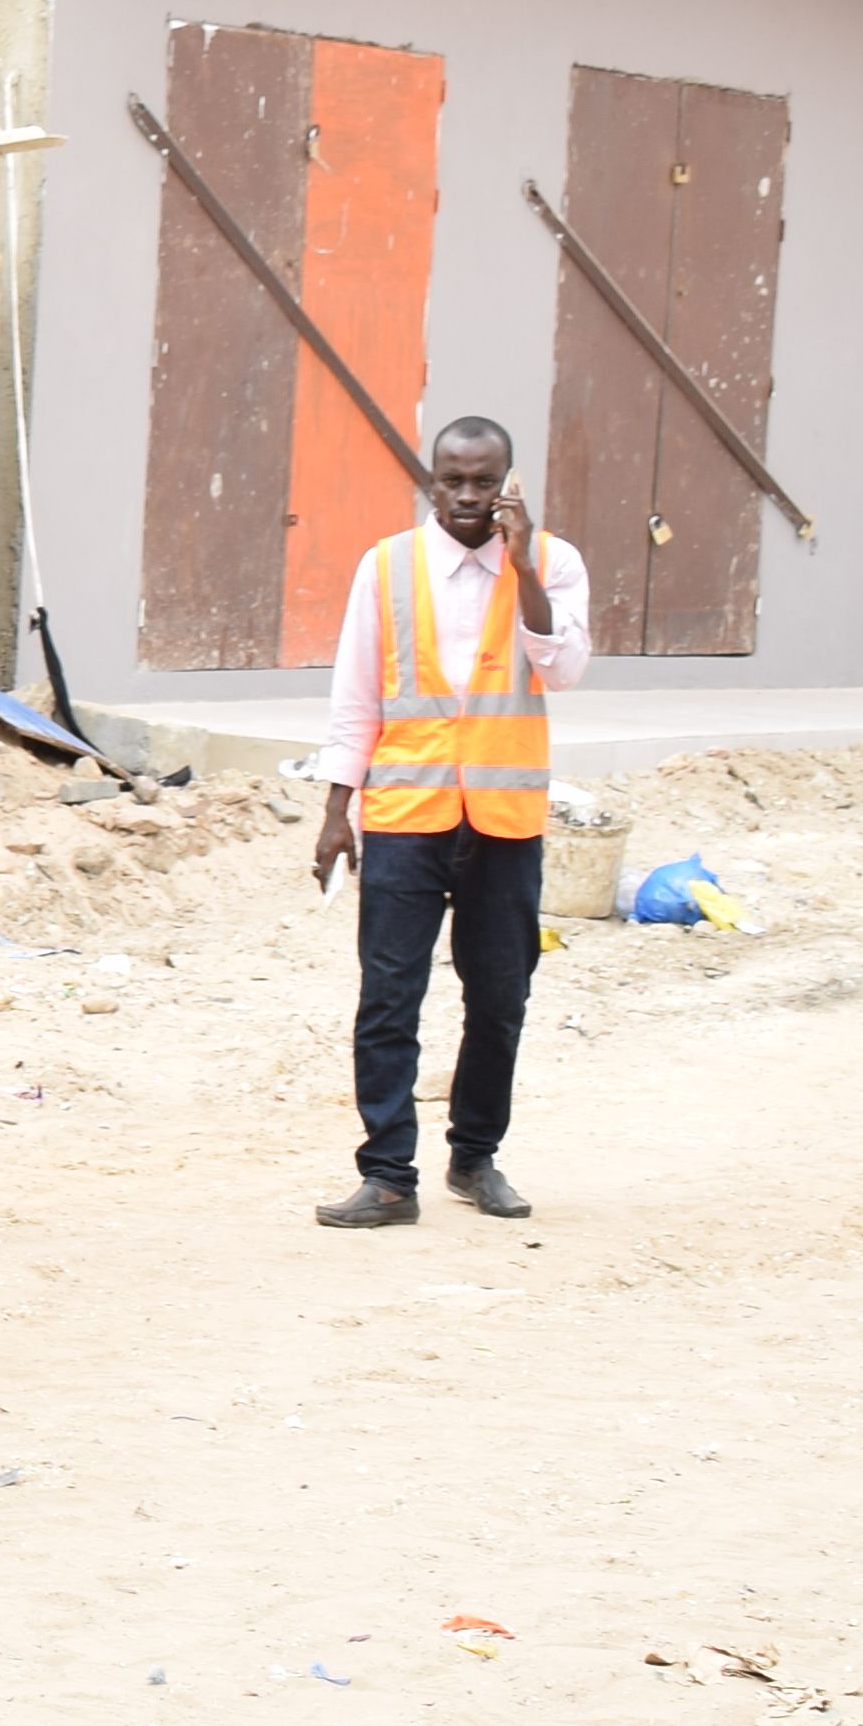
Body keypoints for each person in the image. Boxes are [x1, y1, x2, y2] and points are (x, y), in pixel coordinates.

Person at [307, 416, 590, 1228]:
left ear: (509, 484)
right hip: (406, 812)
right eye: (452, 480)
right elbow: (355, 694)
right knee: (388, 997)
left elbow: (565, 669)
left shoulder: (553, 562)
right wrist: (336, 810)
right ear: (431, 482)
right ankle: (388, 1175)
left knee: (499, 999)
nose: (468, 496)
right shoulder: (386, 567)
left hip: (504, 820)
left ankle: (475, 1158)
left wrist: (523, 565)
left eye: (484, 481)